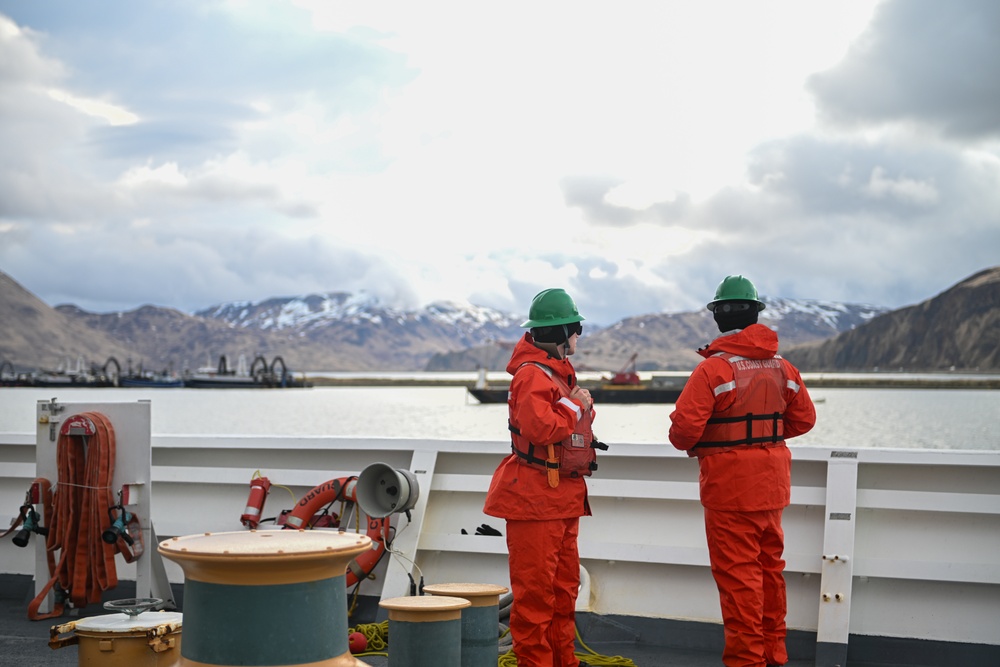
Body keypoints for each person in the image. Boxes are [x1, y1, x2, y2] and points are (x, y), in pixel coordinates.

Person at [668, 275, 816, 667]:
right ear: (755, 315)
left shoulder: (713, 371)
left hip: (729, 490)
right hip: (772, 487)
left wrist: (727, 442)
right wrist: (763, 439)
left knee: (740, 580)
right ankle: (774, 655)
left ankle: (747, 661)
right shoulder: (784, 368)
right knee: (770, 572)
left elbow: (683, 434)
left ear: (718, 315)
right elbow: (804, 420)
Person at [484, 287, 602, 667]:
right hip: (536, 499)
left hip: (561, 497)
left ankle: (563, 660)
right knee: (535, 596)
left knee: (564, 590)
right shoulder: (532, 376)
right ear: (560, 332)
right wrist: (576, 403)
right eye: (576, 328)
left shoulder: (555, 374)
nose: (578, 336)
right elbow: (541, 428)